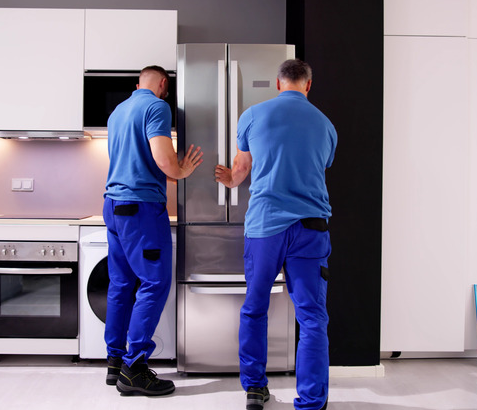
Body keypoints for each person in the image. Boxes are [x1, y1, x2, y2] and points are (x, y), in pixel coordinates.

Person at [215, 59, 337, 410]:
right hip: (310, 228)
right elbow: (321, 164)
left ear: (279, 84)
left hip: (265, 226)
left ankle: (255, 389)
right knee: (312, 317)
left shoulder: (253, 115)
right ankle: (312, 401)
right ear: (308, 86)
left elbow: (241, 169)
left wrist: (229, 179)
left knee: (255, 307)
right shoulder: (326, 125)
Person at [104, 65, 203, 396]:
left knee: (121, 284)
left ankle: (115, 361)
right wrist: (182, 170)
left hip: (114, 205)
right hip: (141, 209)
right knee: (155, 282)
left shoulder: (119, 111)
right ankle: (134, 368)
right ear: (163, 84)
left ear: (137, 84)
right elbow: (163, 159)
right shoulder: (156, 107)